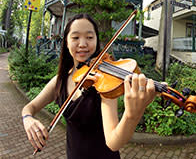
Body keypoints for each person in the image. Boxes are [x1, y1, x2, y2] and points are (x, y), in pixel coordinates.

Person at [21, 14, 157, 158]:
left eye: (90, 37)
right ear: (66, 42)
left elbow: (113, 142)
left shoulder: (104, 82)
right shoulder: (59, 81)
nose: (82, 44)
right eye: (75, 37)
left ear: (96, 41)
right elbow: (29, 107)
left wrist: (132, 115)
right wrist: (27, 118)